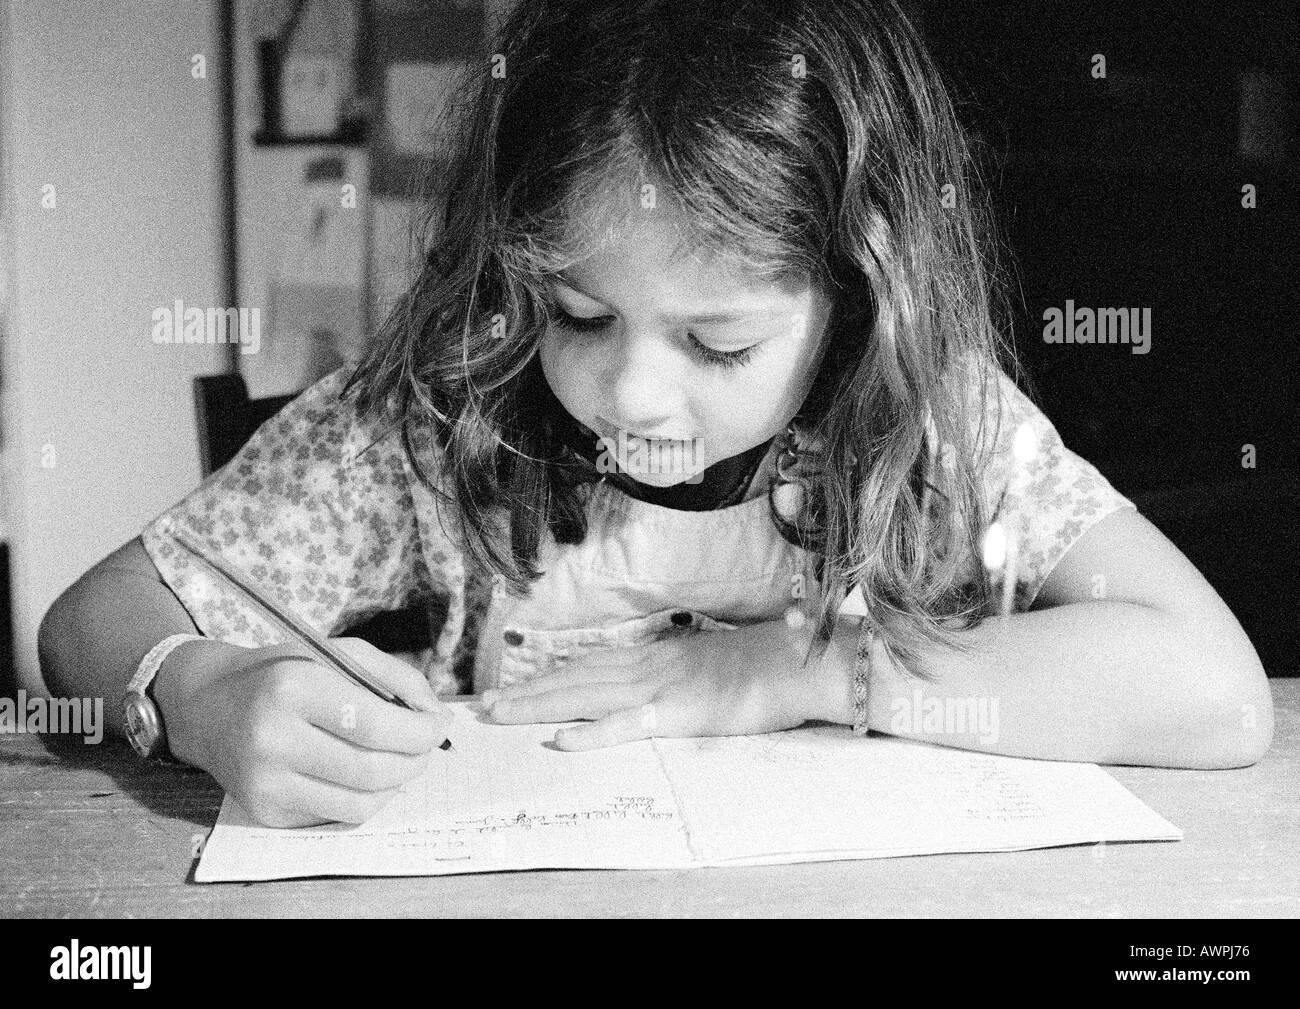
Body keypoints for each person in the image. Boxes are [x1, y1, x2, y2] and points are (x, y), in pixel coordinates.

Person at [39, 0, 1273, 829]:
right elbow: (89, 624)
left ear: (859, 296)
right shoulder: (433, 413)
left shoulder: (930, 422)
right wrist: (195, 692)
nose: (630, 393)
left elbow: (1213, 692)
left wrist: (798, 668)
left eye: (717, 339)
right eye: (575, 314)